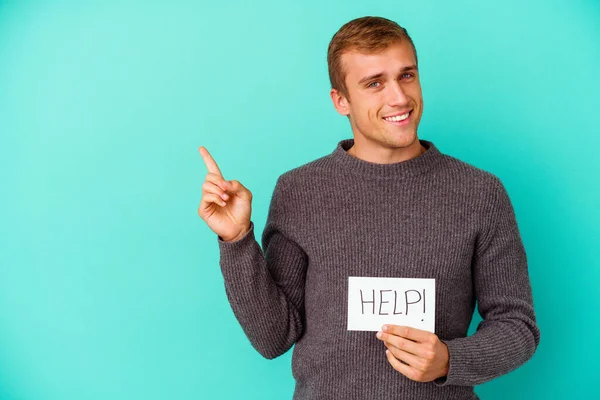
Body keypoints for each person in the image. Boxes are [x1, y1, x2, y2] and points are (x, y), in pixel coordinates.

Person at [198, 16, 540, 400]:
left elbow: (517, 325)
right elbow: (273, 337)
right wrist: (237, 240)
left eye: (406, 75)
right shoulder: (300, 190)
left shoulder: (480, 192)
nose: (398, 98)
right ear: (340, 100)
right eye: (374, 83)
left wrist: (448, 359)